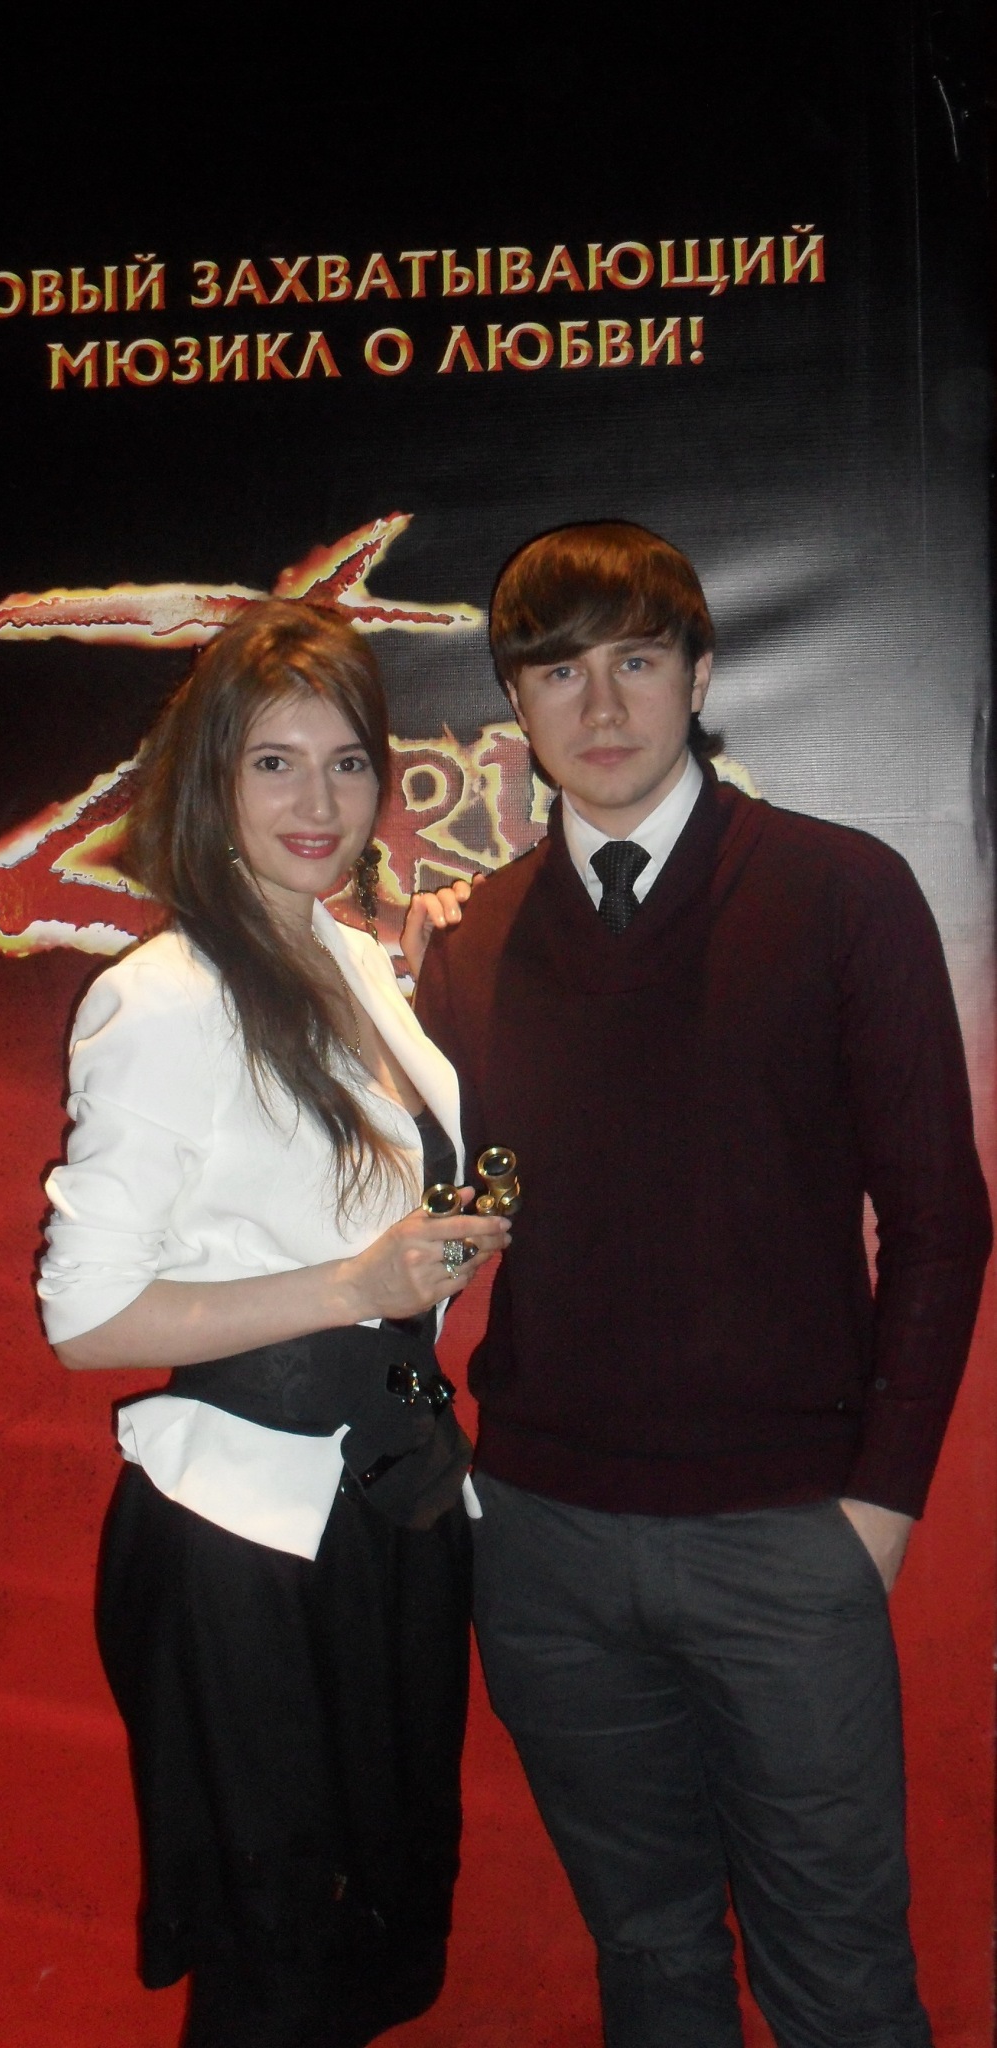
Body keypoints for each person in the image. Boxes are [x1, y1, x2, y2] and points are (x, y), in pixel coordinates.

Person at [406, 522, 992, 2048]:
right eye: (558, 673)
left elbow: (942, 1220)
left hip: (784, 1542)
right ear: (515, 704)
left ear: (701, 674)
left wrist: (877, 1509)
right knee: (651, 1960)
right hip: (545, 1551)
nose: (601, 707)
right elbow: (463, 1214)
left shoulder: (841, 891)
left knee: (843, 1988)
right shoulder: (472, 939)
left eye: (638, 663)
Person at [37, 601, 509, 2048]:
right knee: (276, 1963)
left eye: (348, 761)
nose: (320, 801)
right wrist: (355, 1287)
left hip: (394, 1499)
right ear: (210, 785)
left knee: (376, 1937)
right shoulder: (162, 998)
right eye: (274, 763)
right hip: (243, 1538)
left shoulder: (357, 963)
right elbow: (85, 1317)